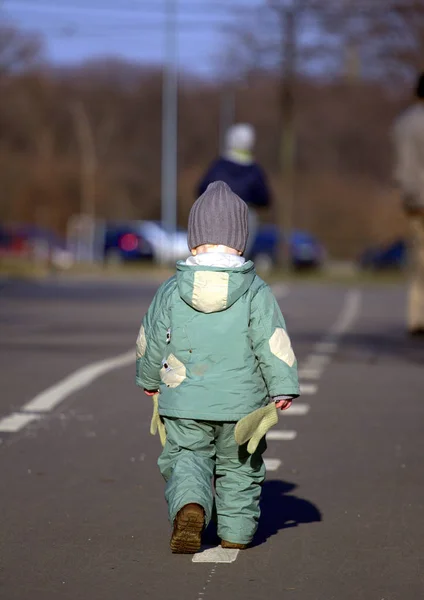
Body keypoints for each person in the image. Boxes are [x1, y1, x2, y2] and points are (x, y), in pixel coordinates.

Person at [136, 181, 299, 554]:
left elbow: (151, 339)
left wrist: (148, 379)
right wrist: (282, 385)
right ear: (241, 243)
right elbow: (273, 342)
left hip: (184, 399)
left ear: (194, 243)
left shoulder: (170, 289)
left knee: (186, 457)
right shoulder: (256, 291)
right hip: (242, 404)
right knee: (241, 465)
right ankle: (236, 533)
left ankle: (191, 505)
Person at [196, 124, 271, 257]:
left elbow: (201, 189)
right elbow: (264, 199)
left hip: (215, 211)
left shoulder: (218, 166)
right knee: (238, 256)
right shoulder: (254, 170)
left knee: (210, 254)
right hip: (245, 215)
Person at [393, 73, 424, 336]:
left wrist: (409, 195)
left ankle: (416, 316)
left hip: (415, 198)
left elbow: (403, 167)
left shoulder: (405, 123)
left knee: (419, 257)